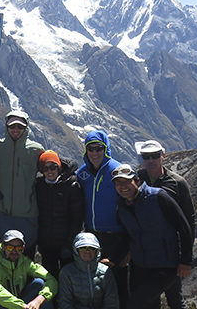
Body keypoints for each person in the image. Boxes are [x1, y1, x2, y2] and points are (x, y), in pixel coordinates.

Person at [112, 164, 193, 309]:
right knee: (148, 304)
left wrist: (185, 260)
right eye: (118, 183)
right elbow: (127, 236)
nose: (123, 186)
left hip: (166, 264)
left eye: (127, 181)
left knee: (137, 302)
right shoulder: (122, 206)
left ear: (137, 180)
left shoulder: (157, 196)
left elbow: (183, 226)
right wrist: (114, 259)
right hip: (141, 265)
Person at [134, 140, 195, 309]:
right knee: (151, 299)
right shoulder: (137, 180)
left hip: (171, 253)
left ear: (163, 156)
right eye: (146, 157)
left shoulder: (178, 183)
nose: (151, 160)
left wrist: (186, 260)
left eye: (155, 156)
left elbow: (188, 222)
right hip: (146, 254)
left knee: (174, 298)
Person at [74, 130, 127, 307]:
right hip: (92, 235)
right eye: (91, 149)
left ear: (106, 149)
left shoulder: (117, 171)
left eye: (99, 148)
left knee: (118, 282)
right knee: (96, 283)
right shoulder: (82, 174)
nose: (95, 153)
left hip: (116, 235)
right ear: (86, 151)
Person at [0, 111, 45, 259]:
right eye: (12, 126)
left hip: (28, 216)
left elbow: (49, 168)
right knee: (1, 258)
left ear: (26, 128)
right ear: (6, 127)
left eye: (20, 127)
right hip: (4, 214)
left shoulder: (36, 150)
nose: (15, 130)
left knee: (26, 259)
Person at [34, 150, 84, 279]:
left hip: (65, 243)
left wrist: (68, 245)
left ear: (59, 167)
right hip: (46, 244)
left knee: (67, 278)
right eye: (45, 168)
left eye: (53, 167)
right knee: (50, 279)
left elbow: (77, 219)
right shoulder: (39, 185)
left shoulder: (72, 185)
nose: (50, 171)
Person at [0, 230, 57, 309]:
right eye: (10, 247)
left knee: (40, 283)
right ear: (3, 247)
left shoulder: (24, 262)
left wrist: (40, 299)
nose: (14, 251)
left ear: (23, 248)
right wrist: (21, 306)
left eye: (18, 248)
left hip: (16, 305)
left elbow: (51, 280)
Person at [57, 232, 118, 309]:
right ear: (76, 250)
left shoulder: (106, 271)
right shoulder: (66, 272)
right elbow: (65, 302)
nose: (87, 251)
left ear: (97, 251)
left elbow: (111, 302)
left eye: (92, 248)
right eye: (82, 247)